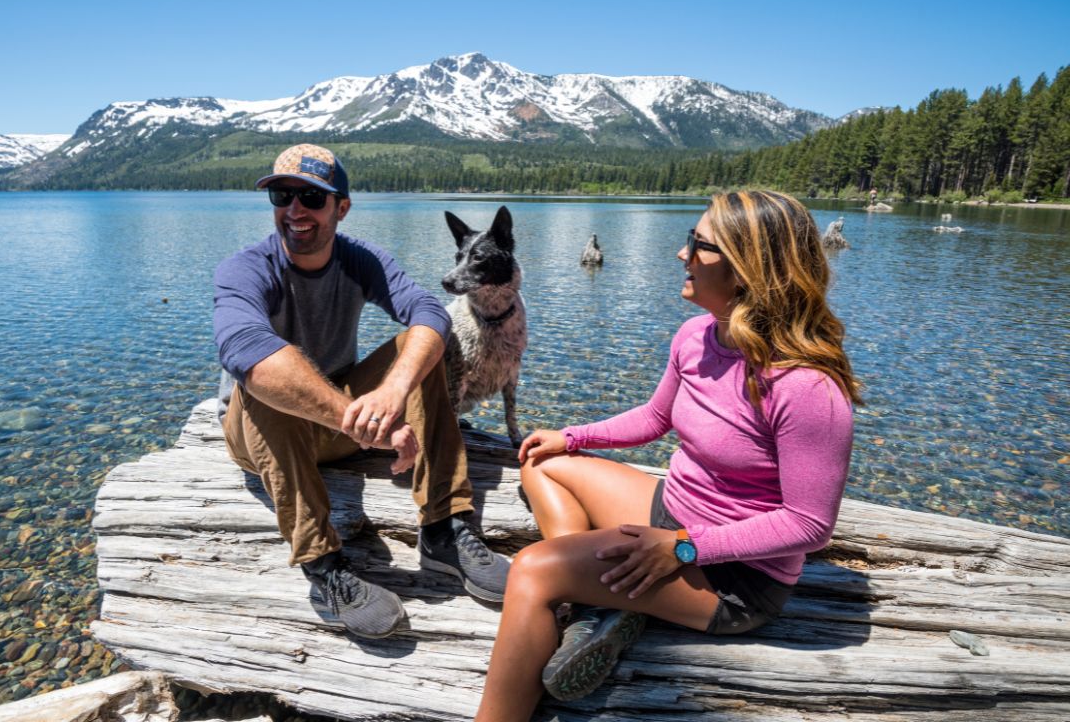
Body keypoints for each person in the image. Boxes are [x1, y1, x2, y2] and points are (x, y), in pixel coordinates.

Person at [474, 190, 859, 720]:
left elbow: (809, 525)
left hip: (735, 575)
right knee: (543, 463)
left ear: (750, 268)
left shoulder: (806, 386)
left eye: (700, 245)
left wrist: (681, 549)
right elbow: (656, 418)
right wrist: (572, 436)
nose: (682, 254)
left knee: (535, 570)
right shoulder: (697, 335)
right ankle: (601, 603)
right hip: (673, 511)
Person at [213, 144, 509, 640]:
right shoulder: (244, 269)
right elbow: (245, 349)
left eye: (311, 197)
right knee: (269, 377)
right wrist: (371, 422)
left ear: (341, 208)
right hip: (260, 434)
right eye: (283, 196)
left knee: (423, 344)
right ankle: (323, 567)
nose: (295, 210)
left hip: (337, 426)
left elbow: (429, 312)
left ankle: (444, 528)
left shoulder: (359, 259)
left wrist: (393, 392)